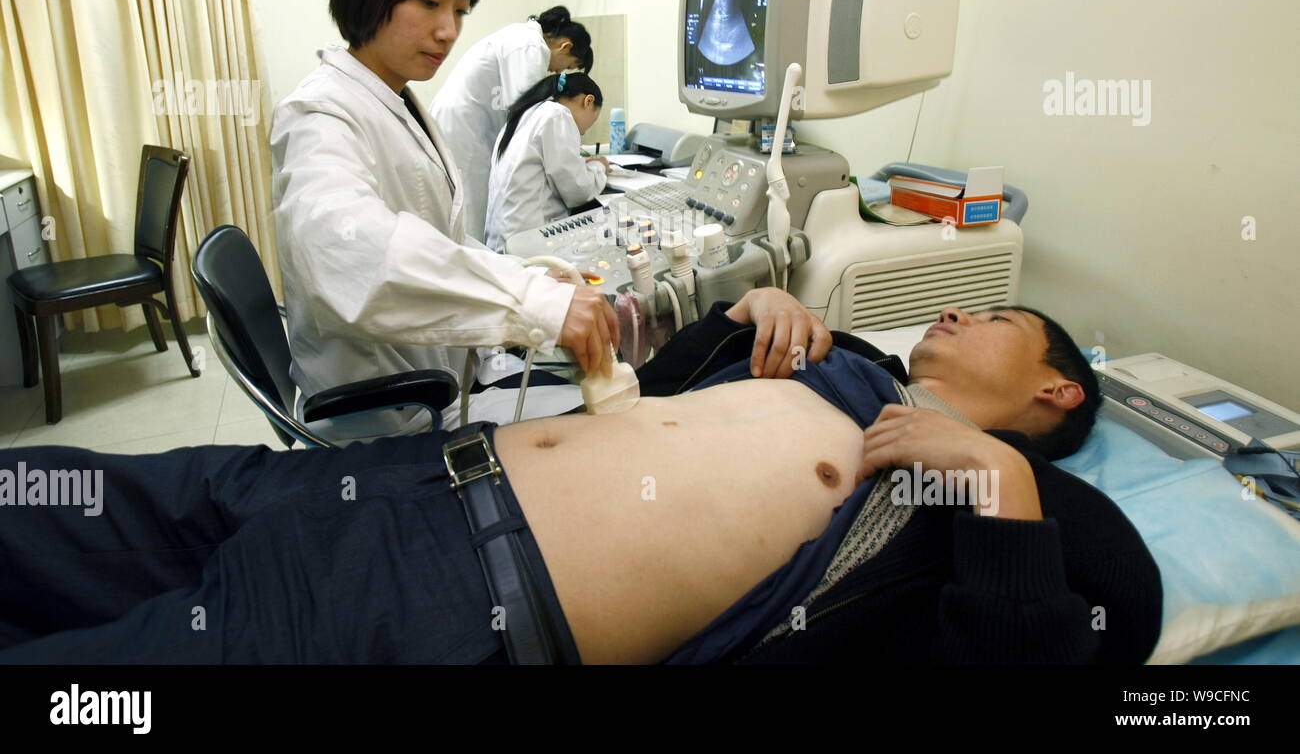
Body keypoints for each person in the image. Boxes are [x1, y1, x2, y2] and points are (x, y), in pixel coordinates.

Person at [0, 291, 1162, 665]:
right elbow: (646, 405)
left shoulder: (1046, 512)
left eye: (998, 313)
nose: (956, 307)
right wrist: (736, 316)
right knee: (57, 499)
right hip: (397, 476)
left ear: (1058, 390)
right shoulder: (845, 358)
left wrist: (1003, 485)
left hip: (439, 601)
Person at [270, 0, 616, 442]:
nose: (449, 31)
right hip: (394, 417)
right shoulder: (320, 115)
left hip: (441, 377)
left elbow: (437, 237)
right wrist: (532, 302)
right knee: (604, 428)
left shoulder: (396, 98)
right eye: (430, 3)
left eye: (459, 9)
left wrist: (522, 278)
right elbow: (346, 251)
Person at [431, 5, 594, 242]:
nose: (558, 71)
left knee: (470, 207)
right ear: (565, 46)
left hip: (466, 124)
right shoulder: (531, 46)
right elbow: (530, 109)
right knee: (471, 209)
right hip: (465, 129)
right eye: (567, 65)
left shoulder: (521, 37)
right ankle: (473, 269)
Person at [484, 72, 610, 252]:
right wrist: (599, 167)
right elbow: (578, 190)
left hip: (502, 238)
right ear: (588, 101)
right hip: (528, 243)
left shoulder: (527, 113)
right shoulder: (557, 115)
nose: (584, 132)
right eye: (594, 118)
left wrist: (581, 163)